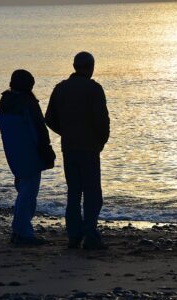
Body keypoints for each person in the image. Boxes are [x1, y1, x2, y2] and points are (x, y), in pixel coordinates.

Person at [45, 52, 110, 250]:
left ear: (75, 66)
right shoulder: (94, 89)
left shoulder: (60, 88)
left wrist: (65, 132)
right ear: (91, 67)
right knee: (92, 193)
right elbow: (102, 121)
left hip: (69, 147)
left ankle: (74, 235)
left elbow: (49, 118)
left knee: (74, 192)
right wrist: (101, 141)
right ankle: (90, 235)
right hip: (89, 148)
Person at [0, 69, 56, 245]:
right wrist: (46, 150)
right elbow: (38, 129)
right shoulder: (27, 103)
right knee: (28, 192)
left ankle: (20, 230)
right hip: (29, 152)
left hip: (13, 152)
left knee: (24, 190)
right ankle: (23, 232)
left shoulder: (5, 101)